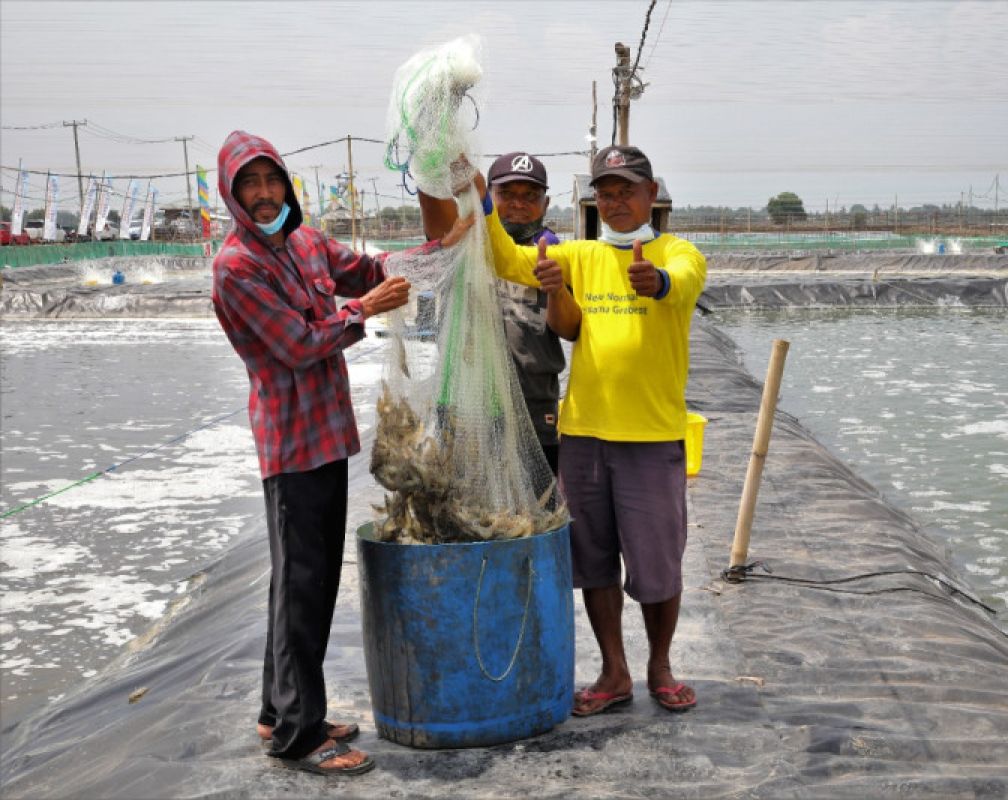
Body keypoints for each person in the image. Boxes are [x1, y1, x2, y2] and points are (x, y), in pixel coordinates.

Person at [211, 130, 464, 776]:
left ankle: (280, 709)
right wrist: (363, 310)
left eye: (272, 182)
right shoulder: (236, 267)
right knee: (301, 587)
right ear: (233, 196)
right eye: (250, 186)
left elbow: (365, 267)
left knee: (304, 584)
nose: (265, 196)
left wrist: (432, 252)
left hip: (326, 437)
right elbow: (297, 343)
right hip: (291, 447)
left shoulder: (303, 240)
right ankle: (300, 736)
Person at [474, 145, 706, 716]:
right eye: (605, 192)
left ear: (652, 194)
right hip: (582, 437)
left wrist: (654, 282)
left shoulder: (680, 252)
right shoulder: (576, 255)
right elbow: (505, 259)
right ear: (591, 201)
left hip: (651, 439)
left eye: (627, 189)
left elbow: (676, 281)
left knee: (657, 564)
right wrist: (478, 198)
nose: (616, 200)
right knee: (594, 561)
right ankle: (614, 672)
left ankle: (660, 666)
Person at [486, 152, 565, 472]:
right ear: (488, 198)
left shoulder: (557, 255)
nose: (518, 203)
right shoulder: (466, 243)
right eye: (506, 194)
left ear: (545, 204)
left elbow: (571, 328)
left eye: (530, 196)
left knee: (538, 509)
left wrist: (558, 287)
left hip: (534, 406)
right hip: (472, 408)